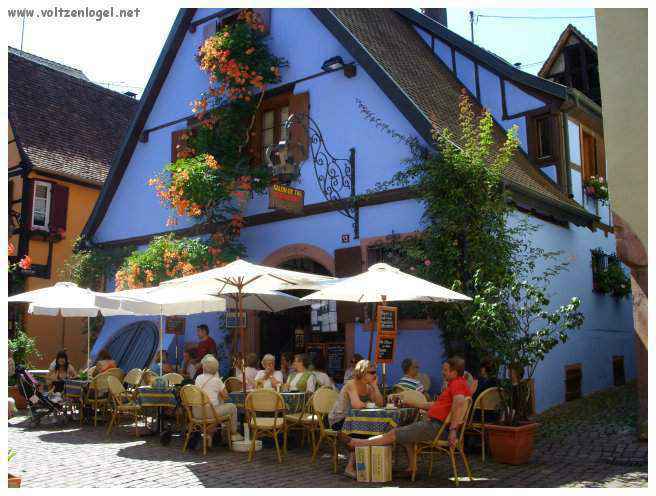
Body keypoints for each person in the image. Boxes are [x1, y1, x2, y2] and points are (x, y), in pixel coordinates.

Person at [347, 356, 472, 479]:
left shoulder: (457, 384)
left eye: (445, 370)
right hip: (437, 426)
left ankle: (358, 443)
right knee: (404, 431)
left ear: (454, 372)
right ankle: (412, 468)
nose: (442, 372)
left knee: (394, 433)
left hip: (437, 428)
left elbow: (459, 402)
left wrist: (453, 430)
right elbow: (436, 404)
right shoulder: (458, 383)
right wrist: (412, 403)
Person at [328, 359, 384, 479]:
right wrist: (369, 404)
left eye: (375, 372)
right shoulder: (351, 384)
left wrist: (375, 386)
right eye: (371, 372)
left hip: (355, 419)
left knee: (369, 429)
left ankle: (369, 464)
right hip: (339, 418)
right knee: (360, 431)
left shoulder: (368, 387)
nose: (375, 375)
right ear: (362, 373)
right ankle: (350, 467)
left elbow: (380, 403)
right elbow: (356, 404)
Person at [193, 355, 243, 448]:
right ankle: (234, 433)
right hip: (210, 412)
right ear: (216, 368)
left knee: (217, 410)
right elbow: (226, 396)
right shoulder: (217, 380)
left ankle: (208, 435)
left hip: (197, 412)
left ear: (204, 366)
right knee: (232, 407)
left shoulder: (198, 378)